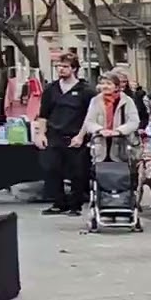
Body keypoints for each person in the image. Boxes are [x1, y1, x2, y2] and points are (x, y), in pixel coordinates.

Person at [34, 53, 95, 216]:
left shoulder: (86, 91)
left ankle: (76, 205)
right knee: (53, 169)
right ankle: (58, 202)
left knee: (77, 172)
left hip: (75, 135)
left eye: (65, 66)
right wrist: (41, 134)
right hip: (55, 135)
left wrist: (81, 136)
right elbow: (43, 114)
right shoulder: (51, 89)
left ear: (74, 69)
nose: (61, 69)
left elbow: (90, 116)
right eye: (58, 67)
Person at [82, 71, 141, 168]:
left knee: (120, 178)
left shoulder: (127, 101)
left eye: (109, 84)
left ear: (117, 87)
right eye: (102, 83)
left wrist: (118, 131)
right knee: (102, 177)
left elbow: (134, 122)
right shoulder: (95, 101)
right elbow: (89, 122)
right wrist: (100, 130)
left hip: (122, 148)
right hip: (100, 147)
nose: (105, 86)